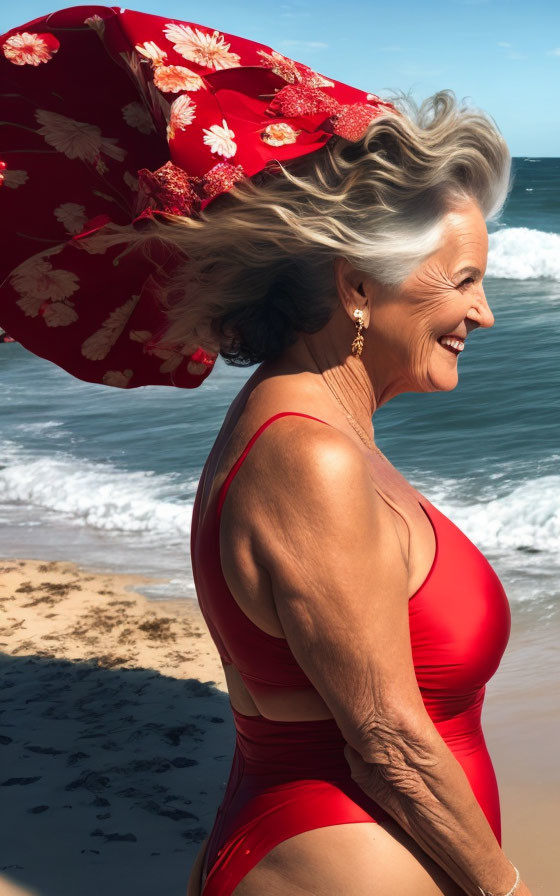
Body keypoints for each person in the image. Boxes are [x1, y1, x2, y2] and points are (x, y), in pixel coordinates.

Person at [1, 8, 530, 895]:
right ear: (358, 284)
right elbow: (391, 745)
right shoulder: (306, 457)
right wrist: (506, 890)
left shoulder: (322, 432)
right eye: (466, 281)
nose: (484, 314)